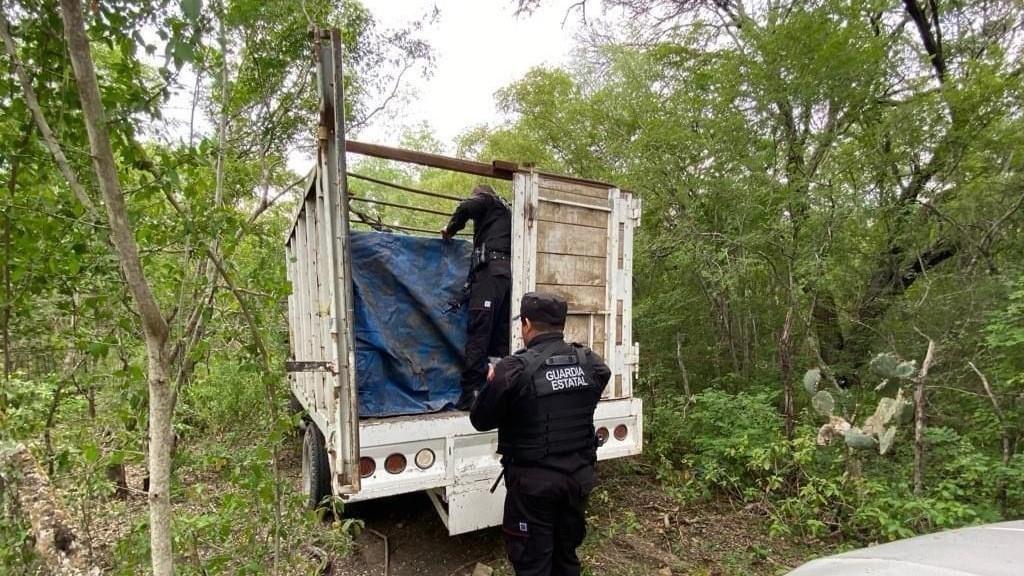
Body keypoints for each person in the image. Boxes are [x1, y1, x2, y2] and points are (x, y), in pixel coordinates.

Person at [470, 292, 611, 576]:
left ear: (526, 323)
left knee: (533, 564)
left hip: (533, 485)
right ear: (561, 324)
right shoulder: (588, 361)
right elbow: (602, 376)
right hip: (578, 479)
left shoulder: (513, 368)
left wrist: (492, 384)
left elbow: (480, 420)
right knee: (566, 557)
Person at [441, 183, 512, 410]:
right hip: (505, 275)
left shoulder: (489, 201)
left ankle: (472, 393)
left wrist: (451, 229)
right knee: (499, 336)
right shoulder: (507, 212)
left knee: (479, 332)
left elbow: (466, 207)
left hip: (489, 274)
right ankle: (498, 390)